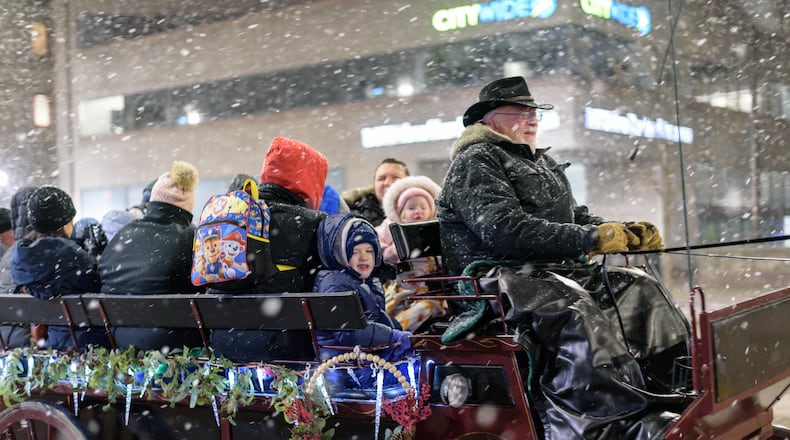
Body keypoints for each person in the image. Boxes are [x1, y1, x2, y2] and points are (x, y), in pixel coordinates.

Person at [437, 77, 688, 439]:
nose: (533, 119)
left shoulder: (541, 161)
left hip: (547, 272)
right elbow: (506, 231)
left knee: (637, 287)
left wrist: (619, 232)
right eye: (521, 113)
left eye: (534, 112)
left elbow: (575, 217)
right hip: (492, 279)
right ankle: (609, 423)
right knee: (574, 310)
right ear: (489, 120)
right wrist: (590, 239)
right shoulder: (476, 161)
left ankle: (672, 389)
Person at [210, 137, 329, 362]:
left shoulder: (231, 217)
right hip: (285, 349)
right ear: (310, 180)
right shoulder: (312, 223)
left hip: (222, 343)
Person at [99, 161, 203, 352]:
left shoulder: (125, 233)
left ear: (153, 202)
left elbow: (104, 274)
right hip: (175, 343)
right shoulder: (190, 237)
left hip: (121, 339)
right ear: (187, 206)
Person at [314, 212, 412, 388]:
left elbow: (374, 319)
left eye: (369, 250)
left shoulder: (367, 281)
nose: (364, 257)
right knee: (416, 375)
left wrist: (395, 330)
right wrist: (392, 335)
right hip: (344, 368)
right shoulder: (334, 284)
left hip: (364, 359)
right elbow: (349, 331)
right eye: (355, 251)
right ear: (340, 254)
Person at [10, 186, 109, 350]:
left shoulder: (22, 259)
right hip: (89, 346)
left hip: (54, 345)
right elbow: (101, 289)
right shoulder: (75, 258)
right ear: (64, 222)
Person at [376, 175, 449, 332]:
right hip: (400, 292)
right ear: (400, 212)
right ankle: (380, 333)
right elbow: (377, 248)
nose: (418, 212)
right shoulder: (390, 228)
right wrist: (393, 252)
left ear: (433, 210)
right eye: (411, 208)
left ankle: (395, 334)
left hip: (432, 294)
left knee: (423, 310)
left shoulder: (439, 229)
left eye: (423, 207)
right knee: (381, 313)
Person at [342, 158, 409, 226]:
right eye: (381, 178)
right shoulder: (353, 214)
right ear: (374, 185)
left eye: (395, 178)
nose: (387, 182)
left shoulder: (418, 212)